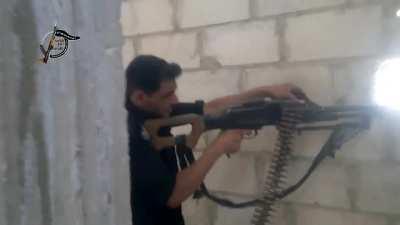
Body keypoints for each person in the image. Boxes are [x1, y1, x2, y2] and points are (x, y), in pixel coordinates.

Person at [125, 55, 303, 225]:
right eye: (167, 95)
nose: (175, 100)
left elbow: (211, 107)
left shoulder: (155, 111)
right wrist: (219, 146)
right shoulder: (130, 138)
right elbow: (173, 196)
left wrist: (267, 90)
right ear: (140, 98)